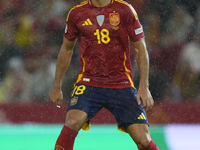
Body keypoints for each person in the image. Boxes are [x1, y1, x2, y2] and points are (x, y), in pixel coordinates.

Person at [49, 0, 160, 150]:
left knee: (144, 140)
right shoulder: (76, 13)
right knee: (73, 121)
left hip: (121, 83)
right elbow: (66, 49)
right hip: (89, 82)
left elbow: (140, 48)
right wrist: (57, 86)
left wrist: (144, 87)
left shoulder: (125, 10)